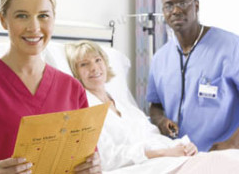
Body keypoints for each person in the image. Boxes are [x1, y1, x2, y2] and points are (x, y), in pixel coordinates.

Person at [0, 0, 101, 173]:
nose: (34, 27)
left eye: (43, 16)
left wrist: (93, 167)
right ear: (4, 20)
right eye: (22, 16)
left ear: (53, 19)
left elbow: (83, 160)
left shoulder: (73, 89)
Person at [65, 40, 203, 173]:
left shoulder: (122, 104)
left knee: (207, 161)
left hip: (156, 162)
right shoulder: (86, 111)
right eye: (84, 64)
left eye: (97, 60)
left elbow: (151, 134)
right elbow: (107, 158)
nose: (94, 68)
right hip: (137, 167)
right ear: (76, 73)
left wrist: (181, 147)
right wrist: (162, 153)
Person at [146, 0, 239, 152]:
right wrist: (160, 121)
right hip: (178, 155)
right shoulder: (159, 58)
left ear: (196, 6)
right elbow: (155, 105)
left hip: (222, 153)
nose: (175, 10)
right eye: (168, 6)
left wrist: (231, 143)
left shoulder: (232, 46)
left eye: (182, 3)